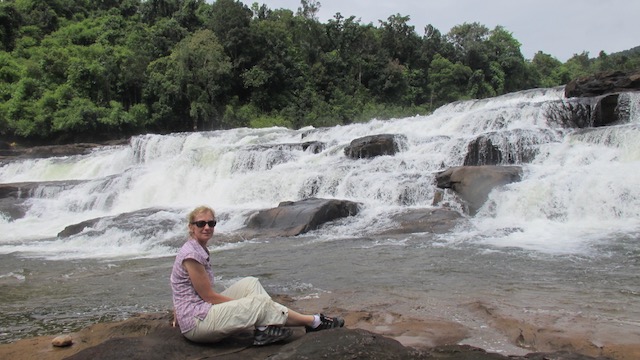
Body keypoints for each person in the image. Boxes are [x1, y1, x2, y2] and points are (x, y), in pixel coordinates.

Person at [170, 205, 345, 346]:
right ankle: (313, 321)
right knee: (257, 303)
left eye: (211, 223)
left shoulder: (197, 247)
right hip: (197, 323)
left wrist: (178, 307)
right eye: (201, 224)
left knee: (250, 284)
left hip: (199, 310)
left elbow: (180, 284)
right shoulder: (191, 255)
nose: (207, 227)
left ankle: (264, 328)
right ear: (191, 227)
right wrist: (245, 305)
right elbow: (208, 296)